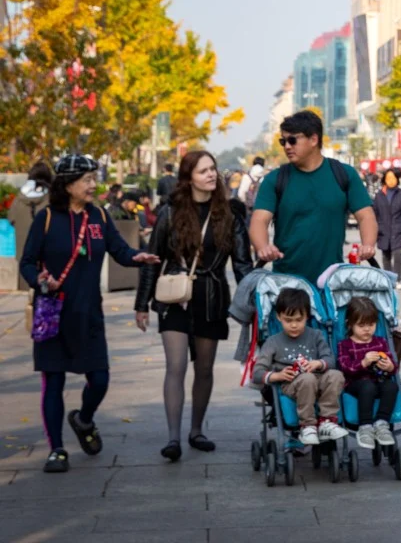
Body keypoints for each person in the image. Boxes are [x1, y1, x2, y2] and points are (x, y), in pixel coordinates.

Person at [20, 155, 160, 473]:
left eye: (93, 178)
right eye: (87, 180)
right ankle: (56, 450)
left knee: (99, 379)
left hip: (88, 314)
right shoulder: (46, 218)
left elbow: (119, 250)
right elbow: (27, 262)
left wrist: (137, 257)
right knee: (53, 381)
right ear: (68, 185)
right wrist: (40, 280)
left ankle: (84, 420)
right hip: (53, 313)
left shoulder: (99, 216)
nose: (93, 185)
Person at [134, 151, 253, 460]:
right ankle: (173, 438)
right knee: (175, 366)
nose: (211, 174)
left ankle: (196, 430)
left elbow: (242, 264)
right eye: (203, 171)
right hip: (174, 297)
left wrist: (254, 301)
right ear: (188, 179)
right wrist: (141, 304)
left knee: (204, 368)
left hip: (211, 298)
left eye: (213, 169)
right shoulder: (170, 212)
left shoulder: (229, 214)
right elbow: (153, 259)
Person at [249, 111, 377, 285]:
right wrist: (263, 247)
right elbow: (259, 220)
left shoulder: (344, 174)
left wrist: (368, 245)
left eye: (292, 140)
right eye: (283, 141)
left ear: (314, 139)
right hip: (287, 283)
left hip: (332, 282)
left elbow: (366, 216)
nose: (287, 146)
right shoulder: (275, 179)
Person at [250, 288, 347, 445]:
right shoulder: (273, 342)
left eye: (298, 320)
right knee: (307, 379)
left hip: (317, 378)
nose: (294, 325)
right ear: (279, 317)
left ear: (307, 316)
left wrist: (318, 363)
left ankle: (327, 421)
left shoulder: (315, 335)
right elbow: (257, 373)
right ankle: (307, 425)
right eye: (288, 320)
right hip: (290, 384)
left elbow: (330, 359)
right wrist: (277, 375)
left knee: (336, 375)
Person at [337, 296, 399, 449]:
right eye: (361, 325)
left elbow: (393, 366)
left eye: (371, 325)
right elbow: (345, 367)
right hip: (355, 383)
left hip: (378, 380)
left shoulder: (380, 342)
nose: (367, 329)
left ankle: (381, 423)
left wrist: (389, 366)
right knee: (367, 386)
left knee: (392, 386)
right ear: (350, 324)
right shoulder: (345, 345)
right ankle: (365, 426)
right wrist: (363, 363)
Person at [11, 161, 53, 293]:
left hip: (24, 253)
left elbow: (11, 218)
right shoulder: (52, 197)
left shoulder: (19, 198)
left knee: (27, 289)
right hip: (47, 254)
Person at [372, 168, 401, 290]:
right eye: (388, 178)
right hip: (383, 230)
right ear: (384, 180)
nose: (391, 180)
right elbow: (374, 214)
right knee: (386, 256)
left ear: (397, 179)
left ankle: (397, 279)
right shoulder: (379, 195)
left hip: (398, 229)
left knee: (397, 254)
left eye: (393, 178)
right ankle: (388, 279)